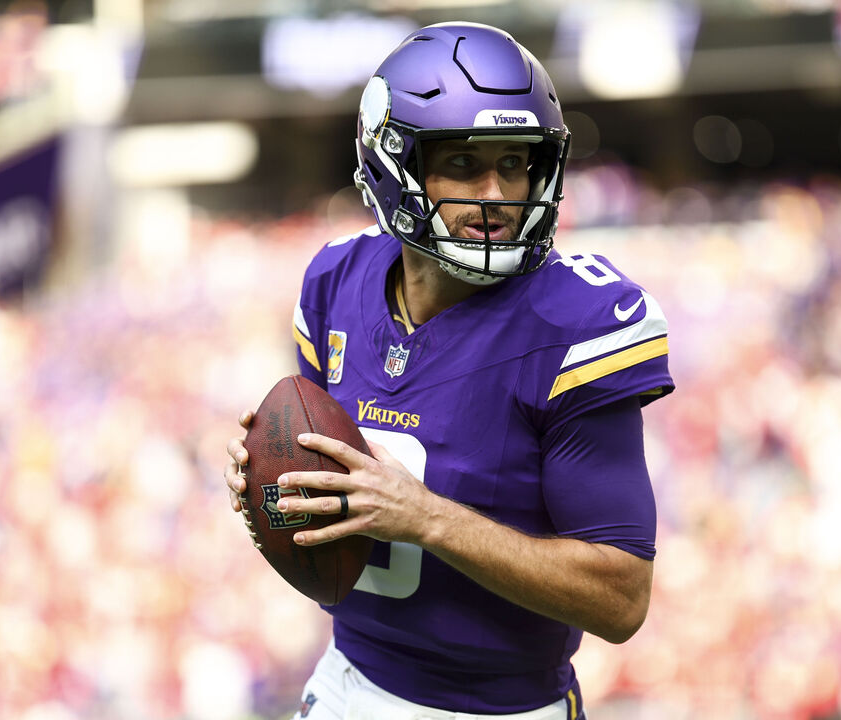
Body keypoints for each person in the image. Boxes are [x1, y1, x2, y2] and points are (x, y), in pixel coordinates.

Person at [224, 22, 673, 720]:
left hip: (502, 709)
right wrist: (268, 482)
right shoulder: (333, 282)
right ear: (392, 163)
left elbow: (620, 600)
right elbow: (323, 488)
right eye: (463, 165)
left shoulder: (577, 323)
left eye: (516, 164)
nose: (496, 195)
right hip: (350, 682)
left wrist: (428, 519)